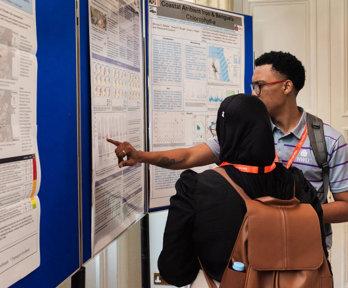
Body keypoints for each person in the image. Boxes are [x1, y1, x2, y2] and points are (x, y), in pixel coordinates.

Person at [107, 51, 348, 233]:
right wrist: (140, 156)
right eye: (253, 85)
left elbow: (345, 206)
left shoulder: (327, 140)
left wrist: (296, 214)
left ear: (287, 86)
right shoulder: (245, 131)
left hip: (306, 253)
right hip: (251, 251)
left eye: (260, 86)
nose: (254, 92)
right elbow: (189, 157)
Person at [156, 94, 327, 287]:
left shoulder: (195, 188)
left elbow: (175, 272)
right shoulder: (298, 184)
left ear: (225, 133)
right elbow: (320, 254)